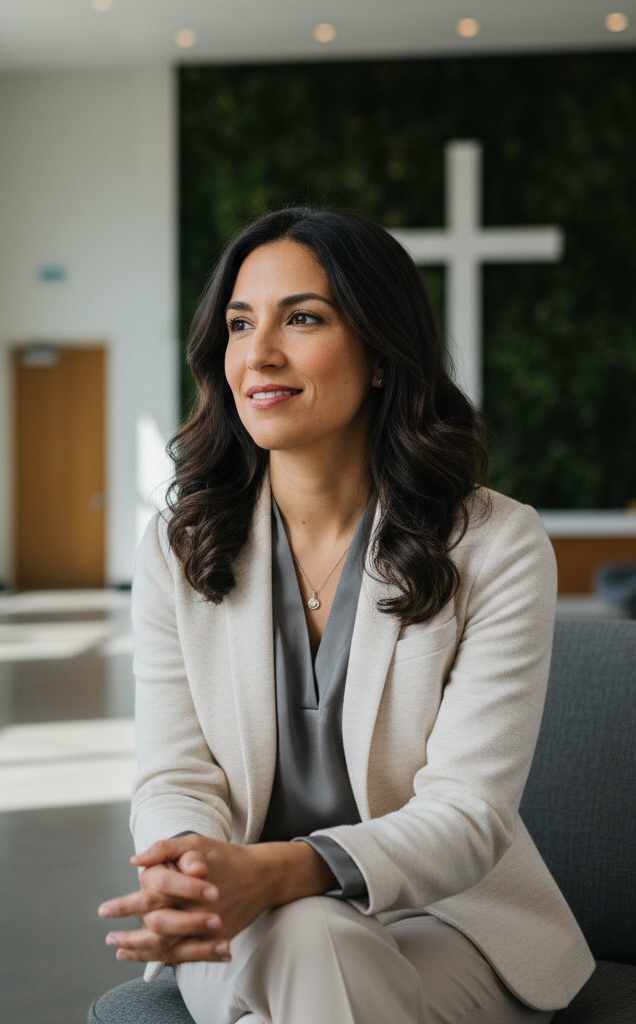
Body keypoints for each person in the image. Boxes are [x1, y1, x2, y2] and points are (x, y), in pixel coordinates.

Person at [97, 208, 593, 1024]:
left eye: (303, 318)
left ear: (378, 353)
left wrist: (285, 872)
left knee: (312, 944)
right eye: (239, 323)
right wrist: (187, 865)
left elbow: (467, 813)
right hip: (248, 923)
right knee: (308, 942)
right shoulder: (176, 548)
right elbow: (176, 775)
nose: (259, 353)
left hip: (449, 920)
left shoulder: (497, 545)